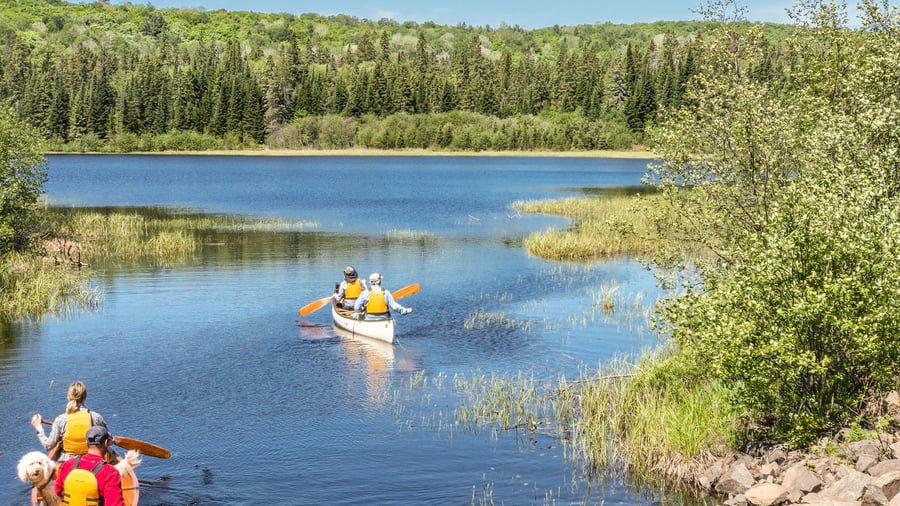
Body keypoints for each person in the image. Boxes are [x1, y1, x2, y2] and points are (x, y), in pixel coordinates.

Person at [31, 381, 109, 462]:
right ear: (85, 397)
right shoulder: (96, 417)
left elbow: (48, 446)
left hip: (67, 462)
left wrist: (39, 428)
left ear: (68, 396)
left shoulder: (61, 420)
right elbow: (108, 441)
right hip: (91, 461)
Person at [54, 426, 126, 506]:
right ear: (106, 443)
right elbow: (114, 504)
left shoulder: (68, 464)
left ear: (86, 442)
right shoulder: (109, 472)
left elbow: (58, 490)